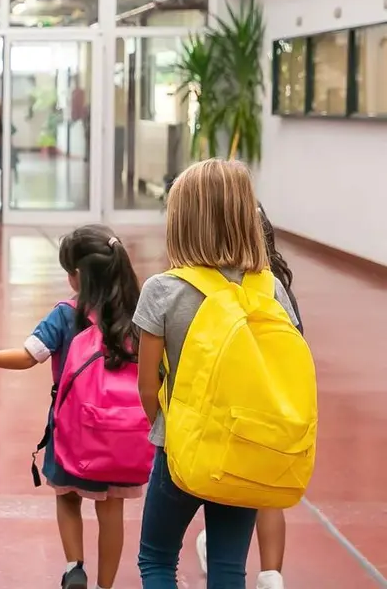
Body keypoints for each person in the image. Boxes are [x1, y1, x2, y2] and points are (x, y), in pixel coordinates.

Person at [134, 159, 302, 589]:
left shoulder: (163, 290)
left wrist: (165, 426)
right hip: (246, 447)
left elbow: (147, 383)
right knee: (228, 566)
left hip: (181, 447)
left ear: (182, 221)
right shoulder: (270, 289)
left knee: (156, 557)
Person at [0, 225, 145, 589]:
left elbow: (28, 357)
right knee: (111, 508)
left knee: (67, 496)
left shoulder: (67, 315)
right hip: (123, 436)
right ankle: (105, 585)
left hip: (74, 430)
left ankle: (75, 567)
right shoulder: (138, 315)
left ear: (78, 277)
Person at [194, 202, 303, 589]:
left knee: (226, 487)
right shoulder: (277, 288)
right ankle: (272, 573)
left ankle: (217, 543)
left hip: (231, 412)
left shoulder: (217, 287)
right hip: (276, 407)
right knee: (269, 492)